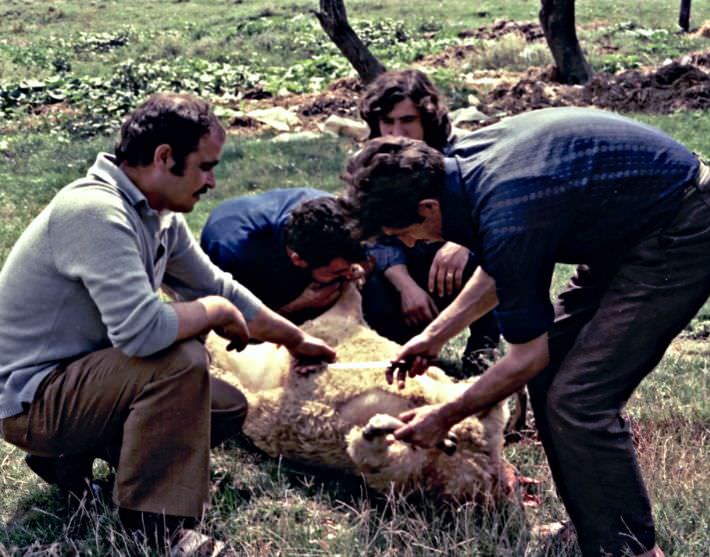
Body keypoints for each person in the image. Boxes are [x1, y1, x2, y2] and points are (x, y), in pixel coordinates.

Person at [342, 107, 710, 557]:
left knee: (580, 399)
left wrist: (445, 416)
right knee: (552, 379)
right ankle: (598, 528)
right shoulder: (457, 171)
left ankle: (634, 551)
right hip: (629, 228)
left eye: (404, 233)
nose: (410, 244)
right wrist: (435, 335)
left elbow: (526, 355)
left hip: (684, 227)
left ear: (428, 208)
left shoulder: (508, 212)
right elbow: (500, 267)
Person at [0, 93, 336, 554]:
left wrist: (296, 340)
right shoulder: (94, 211)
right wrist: (214, 311)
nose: (212, 181)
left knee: (222, 409)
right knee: (179, 361)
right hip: (31, 400)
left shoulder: (156, 213)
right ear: (164, 157)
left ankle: (66, 461)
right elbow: (142, 331)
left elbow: (215, 284)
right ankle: (154, 527)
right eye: (205, 166)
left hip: (77, 383)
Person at [358, 69, 499, 376]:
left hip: (452, 259)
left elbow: (490, 212)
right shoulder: (370, 163)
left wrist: (461, 242)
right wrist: (406, 285)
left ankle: (482, 347)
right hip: (401, 268)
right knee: (366, 279)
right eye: (387, 121)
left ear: (427, 119)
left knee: (492, 258)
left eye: (408, 120)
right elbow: (372, 235)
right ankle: (393, 346)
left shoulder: (460, 154)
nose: (397, 131)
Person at [200, 190, 365, 324]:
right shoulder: (234, 255)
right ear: (298, 260)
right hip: (246, 261)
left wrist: (359, 266)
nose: (350, 275)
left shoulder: (336, 214)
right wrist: (296, 306)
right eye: (338, 271)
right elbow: (234, 324)